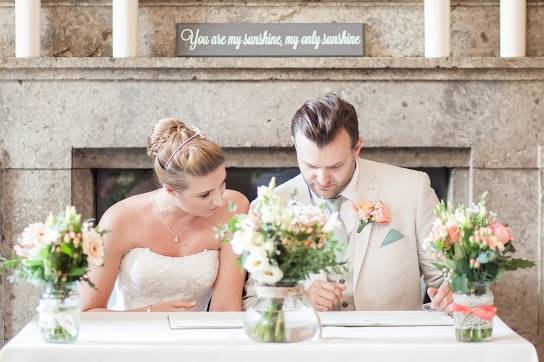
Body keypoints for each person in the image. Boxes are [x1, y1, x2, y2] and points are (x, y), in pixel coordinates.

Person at [262, 94, 452, 313]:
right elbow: (251, 301)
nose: (322, 179)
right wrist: (296, 302)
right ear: (296, 148)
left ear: (357, 148)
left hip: (393, 342)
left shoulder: (412, 190)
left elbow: (446, 278)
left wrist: (454, 292)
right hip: (310, 342)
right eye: (310, 166)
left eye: (335, 166)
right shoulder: (271, 205)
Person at [81, 118, 249, 312]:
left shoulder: (233, 208)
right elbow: (86, 313)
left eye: (222, 184)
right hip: (132, 335)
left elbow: (226, 309)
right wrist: (150, 314)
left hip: (200, 336)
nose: (220, 200)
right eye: (204, 195)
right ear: (170, 190)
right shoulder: (119, 220)